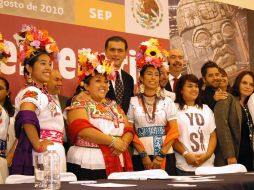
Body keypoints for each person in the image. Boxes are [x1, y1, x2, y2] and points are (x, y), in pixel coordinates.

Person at [66, 48, 134, 180]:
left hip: (118, 159)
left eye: (106, 81)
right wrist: (113, 141)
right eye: (98, 81)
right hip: (89, 162)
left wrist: (123, 143)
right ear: (85, 86)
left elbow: (128, 129)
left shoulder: (114, 105)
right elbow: (82, 130)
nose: (104, 85)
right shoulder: (79, 103)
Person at [10, 24, 66, 175]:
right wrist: (37, 144)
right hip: (42, 154)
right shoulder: (32, 91)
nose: (48, 67)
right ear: (29, 68)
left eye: (49, 64)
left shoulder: (45, 93)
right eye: (42, 64)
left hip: (54, 151)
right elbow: (27, 117)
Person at [128, 38, 179, 175]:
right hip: (140, 154)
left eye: (156, 74)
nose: (153, 78)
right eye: (149, 74)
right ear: (141, 78)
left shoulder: (167, 101)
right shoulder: (133, 101)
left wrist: (161, 155)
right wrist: (144, 155)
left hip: (166, 153)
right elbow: (130, 131)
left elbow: (174, 130)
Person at [173, 74, 217, 175]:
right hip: (184, 166)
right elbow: (171, 137)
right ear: (181, 90)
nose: (194, 89)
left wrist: (207, 155)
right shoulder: (174, 108)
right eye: (190, 86)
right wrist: (186, 154)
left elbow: (213, 135)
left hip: (208, 166)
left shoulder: (206, 109)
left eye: (196, 86)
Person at [214, 71, 254, 171]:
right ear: (238, 83)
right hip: (234, 156)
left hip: (249, 155)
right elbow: (222, 127)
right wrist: (230, 156)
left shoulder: (249, 105)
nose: (248, 86)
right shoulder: (226, 98)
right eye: (244, 83)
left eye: (251, 85)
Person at [105, 36, 134, 114]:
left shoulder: (129, 79)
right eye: (112, 50)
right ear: (105, 52)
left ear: (125, 54)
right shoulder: (96, 74)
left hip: (124, 125)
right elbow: (77, 99)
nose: (116, 54)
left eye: (120, 51)